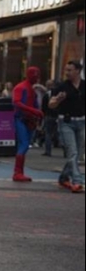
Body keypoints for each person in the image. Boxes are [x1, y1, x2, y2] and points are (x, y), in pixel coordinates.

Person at [48, 60, 85, 193]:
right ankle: (77, 181)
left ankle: (64, 177)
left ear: (78, 71)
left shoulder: (84, 86)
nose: (67, 72)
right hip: (66, 122)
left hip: (82, 122)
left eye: (70, 70)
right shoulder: (62, 86)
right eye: (66, 70)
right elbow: (50, 104)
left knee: (78, 153)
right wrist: (58, 99)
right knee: (72, 151)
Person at [11, 66, 44, 182]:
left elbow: (33, 103)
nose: (36, 77)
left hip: (28, 120)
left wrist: (37, 114)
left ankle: (19, 172)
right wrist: (35, 111)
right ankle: (17, 172)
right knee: (24, 144)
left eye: (37, 75)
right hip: (21, 119)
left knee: (24, 144)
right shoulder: (21, 88)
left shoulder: (30, 88)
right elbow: (17, 103)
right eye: (34, 75)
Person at [40, 79, 59, 156]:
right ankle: (66, 151)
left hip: (49, 115)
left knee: (48, 133)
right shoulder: (59, 93)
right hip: (57, 115)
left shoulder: (47, 94)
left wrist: (44, 114)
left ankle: (48, 151)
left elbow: (43, 106)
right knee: (59, 133)